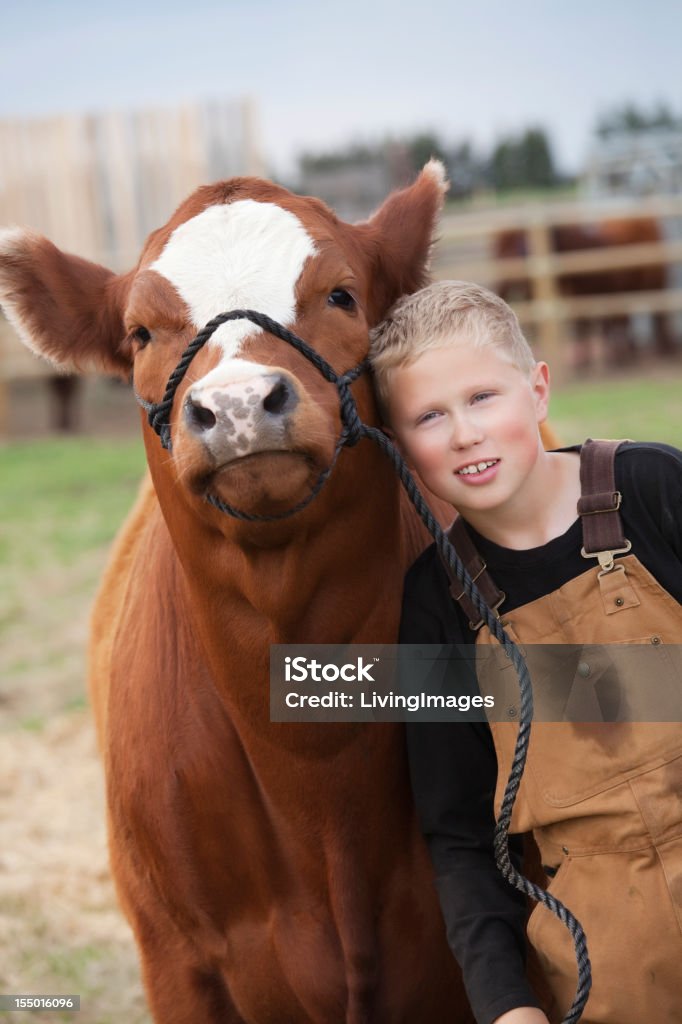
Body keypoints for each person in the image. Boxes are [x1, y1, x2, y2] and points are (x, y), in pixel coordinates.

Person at [368, 280, 682, 1024]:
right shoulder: (435, 607)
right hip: (613, 979)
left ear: (538, 390)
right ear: (401, 445)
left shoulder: (653, 487)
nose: (465, 433)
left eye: (482, 398)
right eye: (428, 416)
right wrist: (508, 1007)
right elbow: (461, 838)